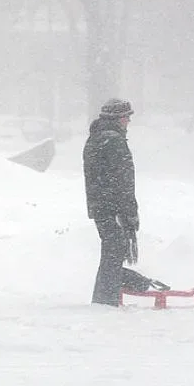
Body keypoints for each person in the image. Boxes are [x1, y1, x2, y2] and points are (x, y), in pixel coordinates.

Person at [82, 98, 140, 306]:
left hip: (100, 206)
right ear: (118, 118)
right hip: (113, 207)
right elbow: (124, 181)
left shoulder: (96, 138)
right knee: (114, 251)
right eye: (126, 117)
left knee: (111, 250)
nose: (128, 122)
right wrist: (130, 213)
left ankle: (106, 296)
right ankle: (106, 300)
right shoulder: (114, 141)